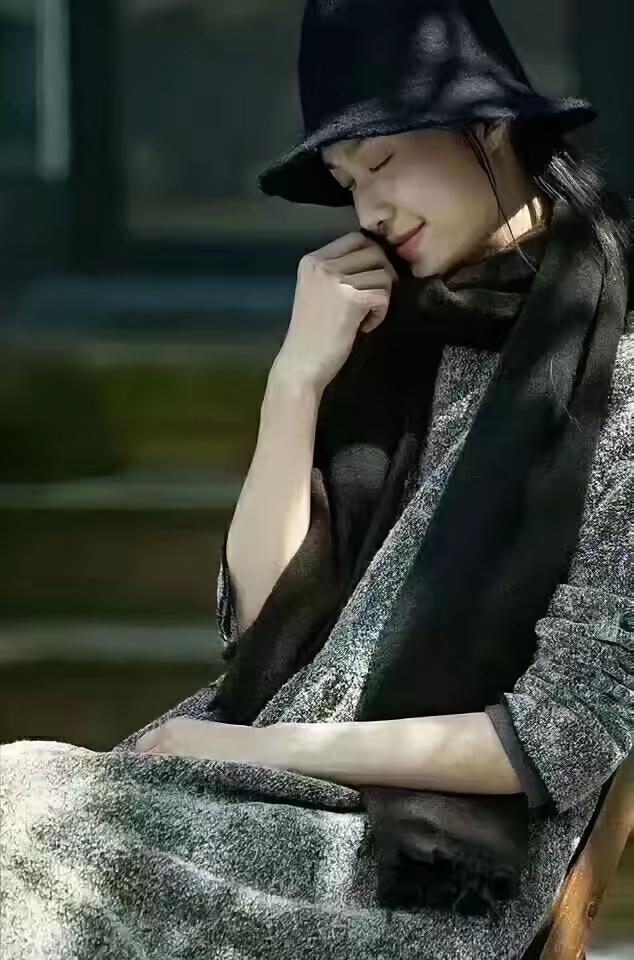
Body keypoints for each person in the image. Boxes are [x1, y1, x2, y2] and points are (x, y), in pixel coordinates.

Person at [1, 2, 631, 959]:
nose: (368, 209)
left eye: (381, 162)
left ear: (493, 129)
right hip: (257, 791)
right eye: (347, 183)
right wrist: (294, 382)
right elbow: (260, 625)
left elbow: (562, 734)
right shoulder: (387, 334)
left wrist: (257, 750)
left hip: (415, 869)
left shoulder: (615, 378)